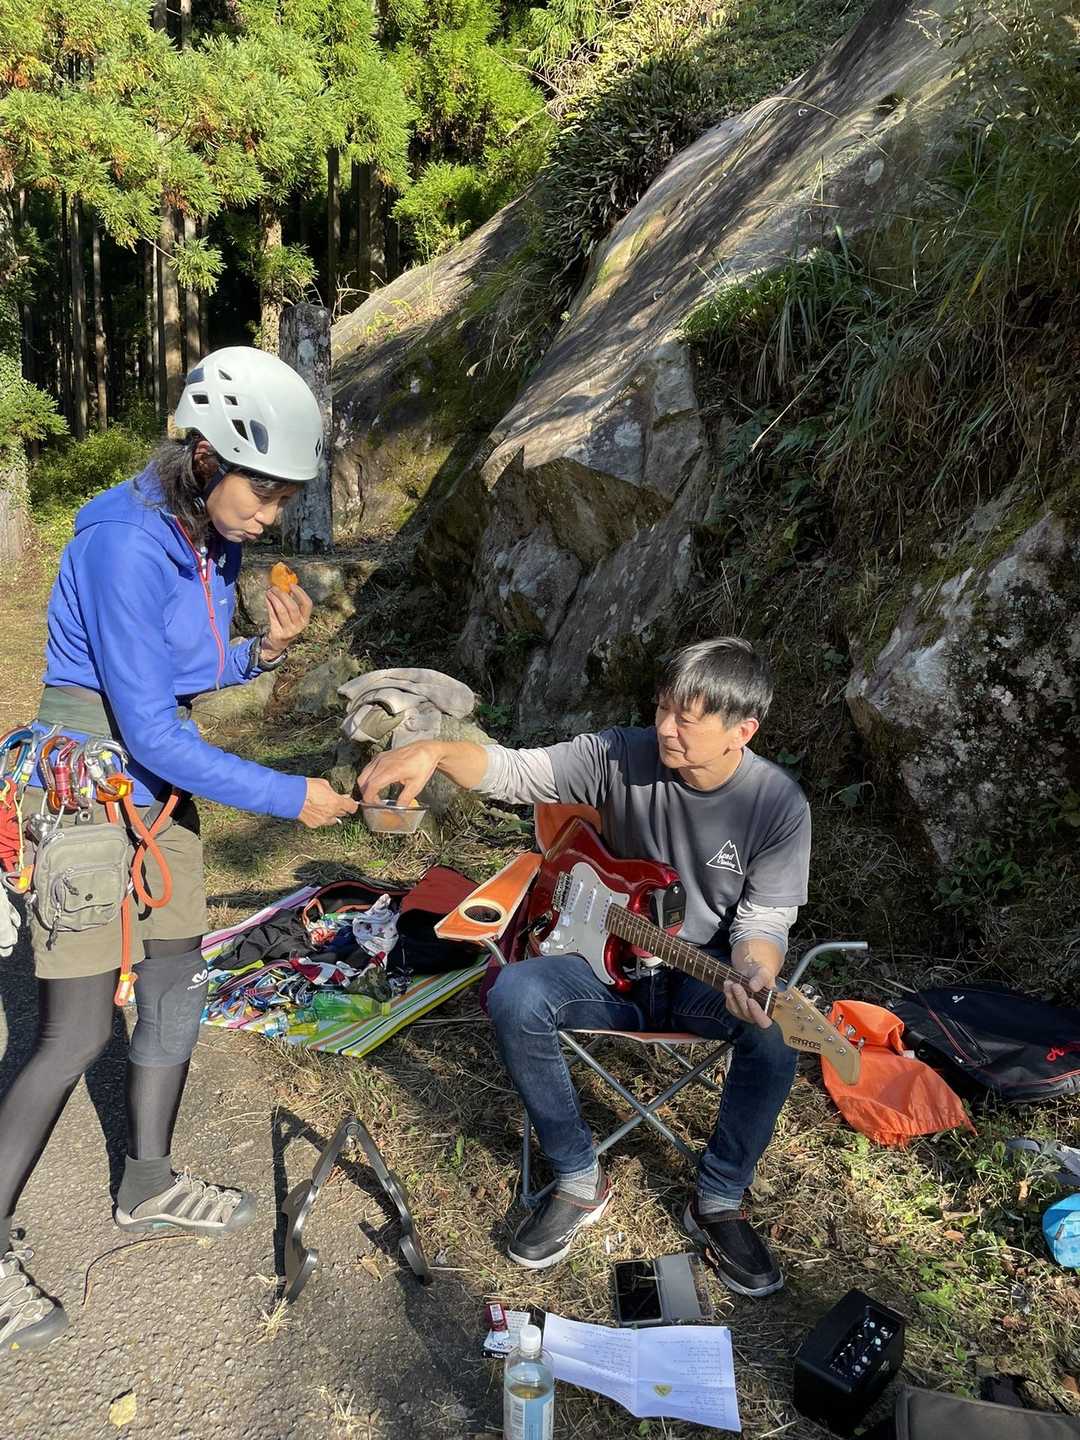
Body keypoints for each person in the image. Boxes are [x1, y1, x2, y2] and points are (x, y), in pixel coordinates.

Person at [0, 347, 358, 1354]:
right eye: (264, 490)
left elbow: (184, 673)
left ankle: (148, 1181)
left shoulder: (211, 538)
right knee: (74, 1034)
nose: (273, 514)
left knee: (172, 986)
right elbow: (151, 728)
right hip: (89, 788)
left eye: (286, 495)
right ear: (205, 456)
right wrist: (292, 796)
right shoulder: (123, 543)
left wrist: (264, 652)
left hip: (158, 796)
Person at [358, 638, 810, 1296]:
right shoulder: (619, 753)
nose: (665, 729)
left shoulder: (778, 805)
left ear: (742, 731)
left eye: (686, 719)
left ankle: (719, 1198)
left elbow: (764, 922)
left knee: (774, 1032)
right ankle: (577, 1175)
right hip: (602, 962)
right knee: (515, 993)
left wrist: (756, 971)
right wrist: (434, 750)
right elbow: (517, 772)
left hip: (702, 972)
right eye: (661, 708)